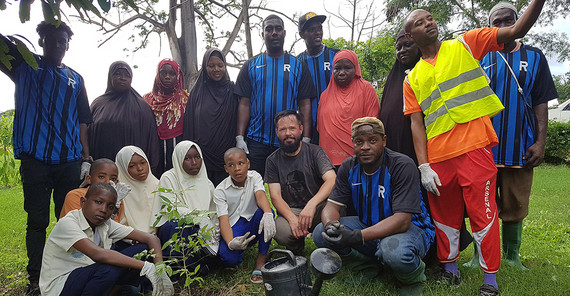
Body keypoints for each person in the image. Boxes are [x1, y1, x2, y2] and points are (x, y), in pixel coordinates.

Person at [402, 2, 546, 294]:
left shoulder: (465, 44)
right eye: (420, 21)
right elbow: (417, 125)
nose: (429, 22)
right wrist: (423, 166)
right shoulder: (412, 78)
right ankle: (450, 270)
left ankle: (490, 280)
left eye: (431, 18)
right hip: (439, 157)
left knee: (483, 214)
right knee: (445, 218)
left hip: (475, 148)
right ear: (410, 35)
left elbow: (517, 29)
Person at [463, 2, 558, 270]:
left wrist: (540, 142)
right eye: (497, 22)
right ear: (489, 27)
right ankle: (478, 255)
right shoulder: (478, 57)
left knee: (516, 201)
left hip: (520, 145)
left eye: (509, 20)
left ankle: (511, 256)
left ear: (519, 23)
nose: (503, 26)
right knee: (482, 203)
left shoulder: (535, 57)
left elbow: (541, 101)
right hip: (482, 147)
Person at [0, 21, 92, 294]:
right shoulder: (24, 66)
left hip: (69, 160)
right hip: (35, 160)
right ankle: (36, 278)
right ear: (41, 42)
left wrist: (86, 158)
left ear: (68, 44)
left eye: (62, 41)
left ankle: (67, 270)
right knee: (37, 221)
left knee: (70, 219)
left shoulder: (76, 78)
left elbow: (83, 121)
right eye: (51, 40)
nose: (57, 46)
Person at [312, 117, 434, 295]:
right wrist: (332, 225)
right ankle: (366, 268)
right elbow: (331, 206)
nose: (365, 147)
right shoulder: (349, 166)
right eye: (359, 141)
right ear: (353, 143)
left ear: (384, 140)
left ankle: (413, 281)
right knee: (321, 233)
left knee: (393, 251)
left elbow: (402, 220)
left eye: (372, 140)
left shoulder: (401, 165)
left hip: (412, 230)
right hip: (369, 225)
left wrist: (356, 236)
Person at [39, 183, 173, 296]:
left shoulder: (105, 223)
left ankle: (112, 291)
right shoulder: (68, 223)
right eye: (98, 202)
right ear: (83, 202)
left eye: (110, 207)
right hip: (60, 287)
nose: (103, 210)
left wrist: (159, 270)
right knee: (108, 269)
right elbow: (98, 255)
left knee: (144, 249)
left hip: (89, 276)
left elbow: (151, 238)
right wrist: (147, 267)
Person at [234, 14, 315, 176]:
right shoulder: (250, 65)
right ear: (263, 34)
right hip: (256, 142)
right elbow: (244, 103)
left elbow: (305, 104)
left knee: (289, 190)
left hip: (289, 140)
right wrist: (239, 137)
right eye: (269, 29)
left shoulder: (298, 66)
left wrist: (306, 138)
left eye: (278, 29)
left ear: (284, 33)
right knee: (258, 190)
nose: (274, 33)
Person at [265, 110, 336, 255]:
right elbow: (275, 196)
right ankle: (296, 250)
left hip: (318, 207)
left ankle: (332, 250)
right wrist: (292, 219)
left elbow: (332, 179)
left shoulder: (315, 152)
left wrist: (311, 205)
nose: (287, 133)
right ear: (277, 132)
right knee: (281, 231)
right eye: (282, 129)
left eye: (292, 128)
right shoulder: (272, 161)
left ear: (301, 129)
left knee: (334, 217)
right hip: (293, 209)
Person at [152, 141, 218, 273]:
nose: (194, 162)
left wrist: (215, 229)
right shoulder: (169, 178)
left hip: (202, 230)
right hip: (176, 229)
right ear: (178, 159)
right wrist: (199, 217)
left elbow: (214, 211)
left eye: (197, 157)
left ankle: (200, 264)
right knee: (176, 226)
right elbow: (170, 207)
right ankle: (183, 267)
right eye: (187, 158)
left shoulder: (207, 182)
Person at [214, 148, 275, 283]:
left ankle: (261, 260)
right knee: (229, 259)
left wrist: (268, 214)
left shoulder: (255, 177)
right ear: (226, 169)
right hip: (234, 227)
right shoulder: (220, 190)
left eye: (241, 163)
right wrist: (230, 242)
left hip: (254, 223)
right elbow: (223, 220)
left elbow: (260, 195)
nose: (237, 168)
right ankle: (237, 249)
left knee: (266, 212)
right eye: (231, 165)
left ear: (248, 164)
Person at [89, 61, 160, 176]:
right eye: (118, 74)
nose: (123, 78)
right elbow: (88, 134)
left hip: (134, 170)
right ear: (110, 76)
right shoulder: (98, 104)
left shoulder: (142, 107)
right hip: (104, 167)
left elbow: (151, 140)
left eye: (127, 75)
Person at [184, 48, 238, 186]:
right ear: (205, 67)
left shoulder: (232, 90)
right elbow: (189, 124)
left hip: (226, 155)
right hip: (202, 156)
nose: (216, 69)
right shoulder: (197, 93)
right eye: (211, 65)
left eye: (220, 65)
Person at [318, 49, 380, 167]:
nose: (341, 72)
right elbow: (321, 129)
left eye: (347, 68)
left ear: (355, 69)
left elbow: (373, 124)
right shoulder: (325, 96)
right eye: (337, 68)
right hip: (328, 163)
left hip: (358, 159)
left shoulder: (366, 89)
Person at [297, 12, 339, 144]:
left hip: (336, 123)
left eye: (319, 28)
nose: (317, 33)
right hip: (309, 128)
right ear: (302, 34)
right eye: (311, 30)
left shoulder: (336, 56)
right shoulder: (297, 62)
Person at [144, 59, 189, 175]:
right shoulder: (146, 100)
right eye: (163, 73)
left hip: (180, 149)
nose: (167, 77)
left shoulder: (187, 100)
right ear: (158, 75)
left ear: (178, 75)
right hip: (154, 149)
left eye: (172, 73)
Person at [60, 158, 124, 223]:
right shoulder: (76, 195)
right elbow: (80, 225)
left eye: (113, 179)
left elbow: (114, 228)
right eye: (101, 177)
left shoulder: (117, 200)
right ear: (89, 179)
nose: (108, 182)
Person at [116, 146, 160, 233]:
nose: (140, 168)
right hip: (128, 238)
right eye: (132, 166)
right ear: (123, 168)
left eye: (143, 163)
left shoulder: (158, 185)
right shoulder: (120, 191)